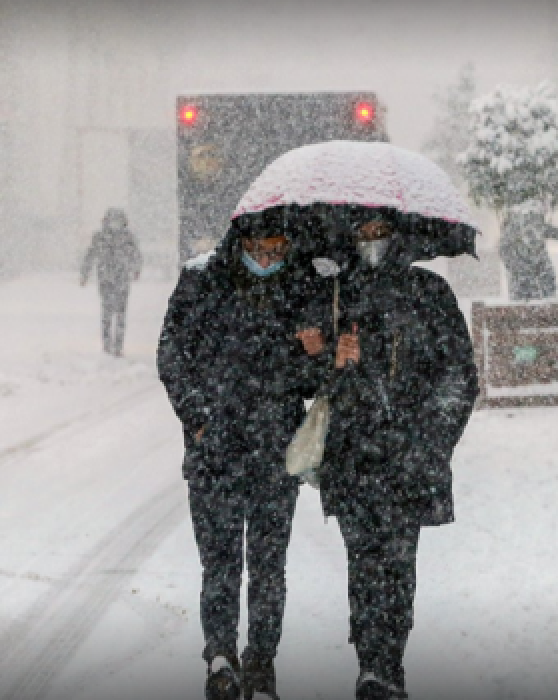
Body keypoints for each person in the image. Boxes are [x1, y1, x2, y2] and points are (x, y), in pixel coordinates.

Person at [296, 210, 479, 700]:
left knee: (398, 564)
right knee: (363, 561)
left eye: (381, 233)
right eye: (364, 234)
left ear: (398, 237)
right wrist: (329, 360)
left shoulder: (430, 294)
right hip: (354, 456)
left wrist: (431, 439)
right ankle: (371, 665)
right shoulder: (334, 295)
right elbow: (309, 383)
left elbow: (459, 375)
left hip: (408, 456)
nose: (372, 242)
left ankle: (388, 661)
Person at [157, 215, 318, 700]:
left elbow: (310, 383)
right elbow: (171, 352)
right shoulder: (203, 279)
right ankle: (221, 657)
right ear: (242, 242)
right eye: (261, 250)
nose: (269, 260)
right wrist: (199, 418)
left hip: (275, 449)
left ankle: (261, 660)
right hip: (215, 451)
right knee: (220, 562)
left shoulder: (301, 283)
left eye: (278, 251)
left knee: (269, 564)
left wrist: (314, 353)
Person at [81, 207, 142, 357]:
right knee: (107, 312)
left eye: (117, 220)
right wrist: (85, 273)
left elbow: (136, 254)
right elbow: (90, 255)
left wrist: (136, 269)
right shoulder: (100, 237)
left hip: (121, 279)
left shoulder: (127, 237)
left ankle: (118, 346)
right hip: (106, 279)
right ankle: (107, 344)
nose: (115, 224)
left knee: (120, 313)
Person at [498, 199, 558, 301]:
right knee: (543, 304)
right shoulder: (534, 228)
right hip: (531, 274)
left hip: (528, 275)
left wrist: (515, 266)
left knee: (524, 306)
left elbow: (503, 249)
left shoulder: (513, 230)